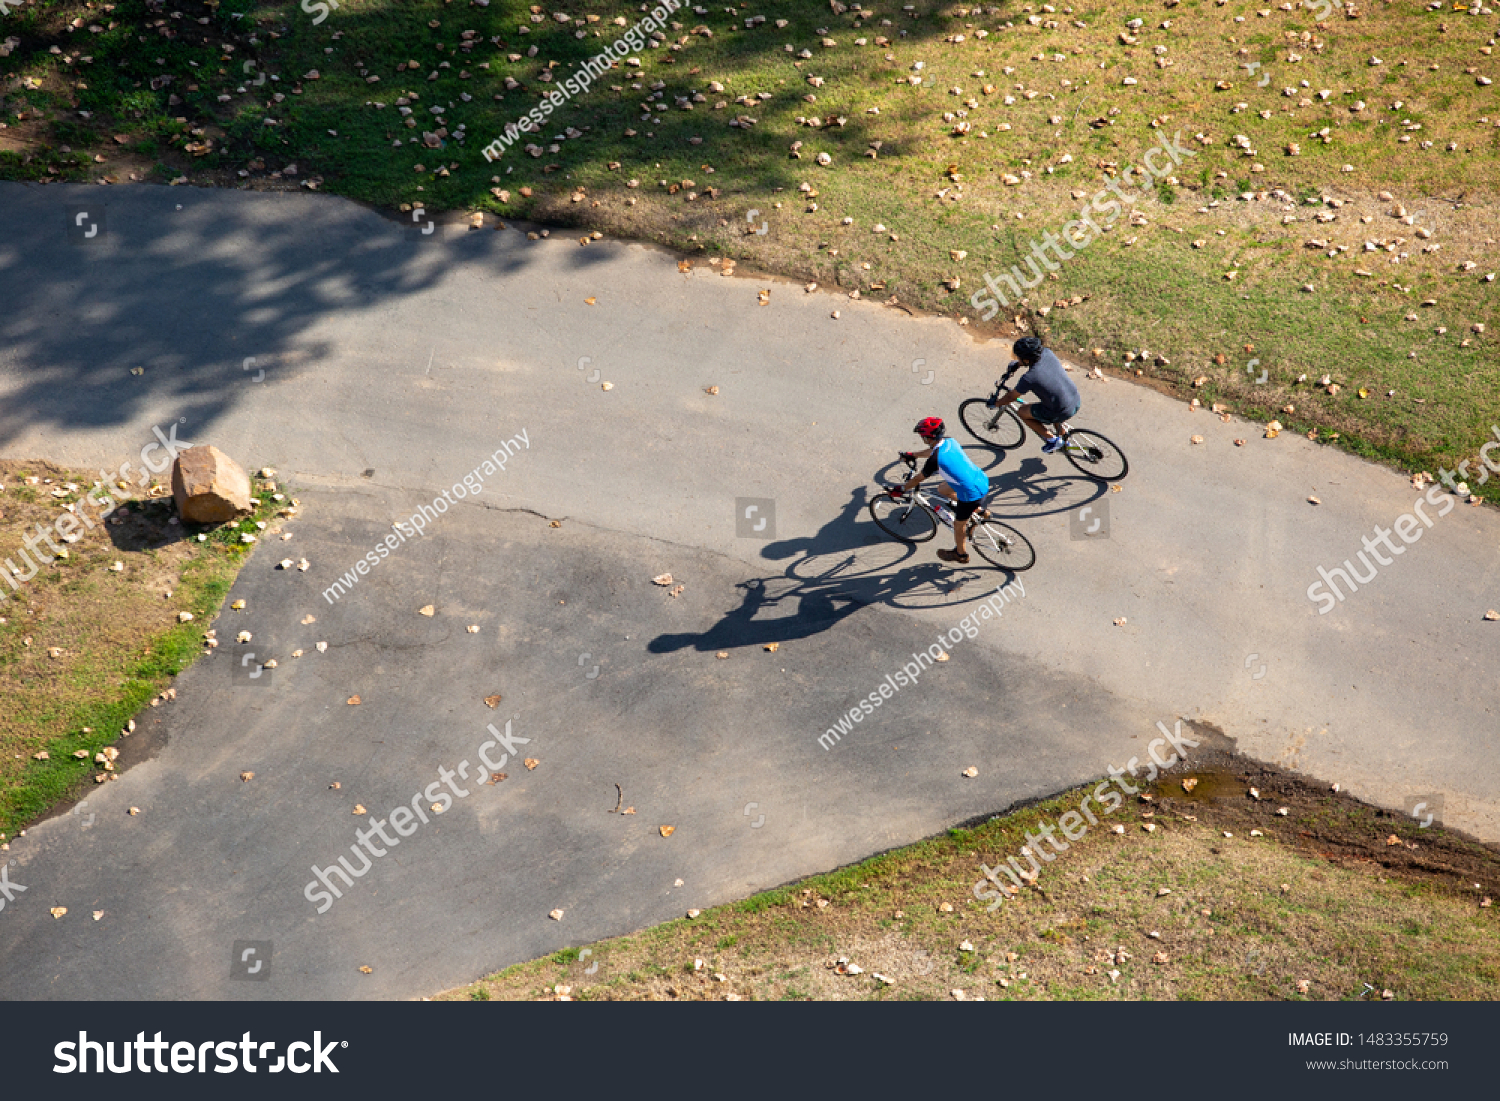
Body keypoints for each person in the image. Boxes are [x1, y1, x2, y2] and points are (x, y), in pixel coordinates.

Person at [894, 417, 991, 565]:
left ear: (928, 437)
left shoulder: (935, 460)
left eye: (922, 436)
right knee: (942, 488)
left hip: (970, 493)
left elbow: (918, 479)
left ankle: (960, 554)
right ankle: (980, 511)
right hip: (981, 480)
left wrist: (902, 489)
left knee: (959, 526)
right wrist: (913, 455)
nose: (922, 438)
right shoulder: (950, 441)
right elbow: (932, 451)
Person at [991, 336, 1080, 454]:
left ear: (1026, 359)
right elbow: (1033, 362)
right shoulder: (1047, 352)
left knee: (1022, 411)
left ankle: (1052, 440)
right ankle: (1064, 438)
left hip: (1060, 409)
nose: (1017, 358)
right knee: (1053, 408)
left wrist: (996, 403)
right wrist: (1017, 365)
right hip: (1074, 398)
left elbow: (1012, 397)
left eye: (1019, 357)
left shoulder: (1030, 378)